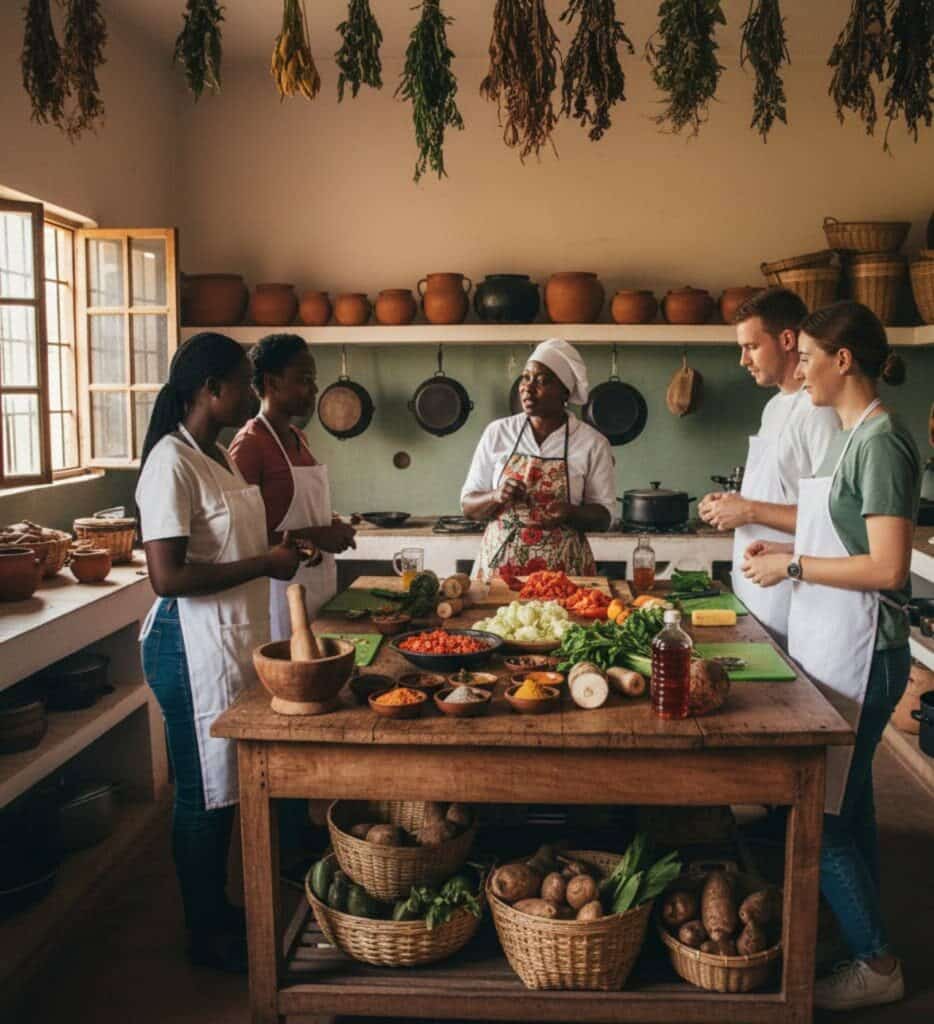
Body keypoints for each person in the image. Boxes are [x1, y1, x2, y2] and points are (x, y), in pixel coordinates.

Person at [742, 301, 919, 1011]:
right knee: (853, 803)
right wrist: (789, 547)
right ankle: (860, 938)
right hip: (838, 643)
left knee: (822, 815)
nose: (801, 369)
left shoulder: (881, 442)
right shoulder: (851, 436)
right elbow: (839, 537)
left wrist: (792, 566)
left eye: (810, 357)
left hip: (866, 649)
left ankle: (878, 964)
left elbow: (888, 568)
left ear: (843, 360)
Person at [136, 332, 303, 973]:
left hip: (226, 640)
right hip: (186, 646)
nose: (251, 393)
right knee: (200, 793)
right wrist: (266, 563)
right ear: (211, 389)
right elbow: (167, 577)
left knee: (225, 787)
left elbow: (231, 544)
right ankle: (203, 931)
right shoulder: (170, 463)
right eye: (242, 382)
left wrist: (286, 547)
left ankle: (220, 908)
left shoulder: (214, 457)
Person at [699, 288, 840, 645]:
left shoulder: (819, 412)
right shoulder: (775, 407)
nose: (743, 360)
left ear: (787, 340)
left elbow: (832, 520)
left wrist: (747, 510)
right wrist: (730, 504)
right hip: (756, 590)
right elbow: (779, 490)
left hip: (793, 595)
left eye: (751, 346)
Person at [228, 334, 356, 638]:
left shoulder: (299, 437)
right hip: (279, 593)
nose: (314, 389)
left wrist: (330, 524)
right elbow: (238, 538)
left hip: (317, 582)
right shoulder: (249, 445)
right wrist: (317, 535)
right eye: (305, 380)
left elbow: (291, 511)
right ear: (272, 383)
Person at [461, 338, 615, 577]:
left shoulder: (592, 443)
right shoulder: (498, 432)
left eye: (542, 381)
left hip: (565, 575)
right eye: (525, 378)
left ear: (565, 391)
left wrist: (570, 513)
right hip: (499, 573)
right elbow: (468, 506)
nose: (527, 387)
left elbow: (605, 518)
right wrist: (496, 495)